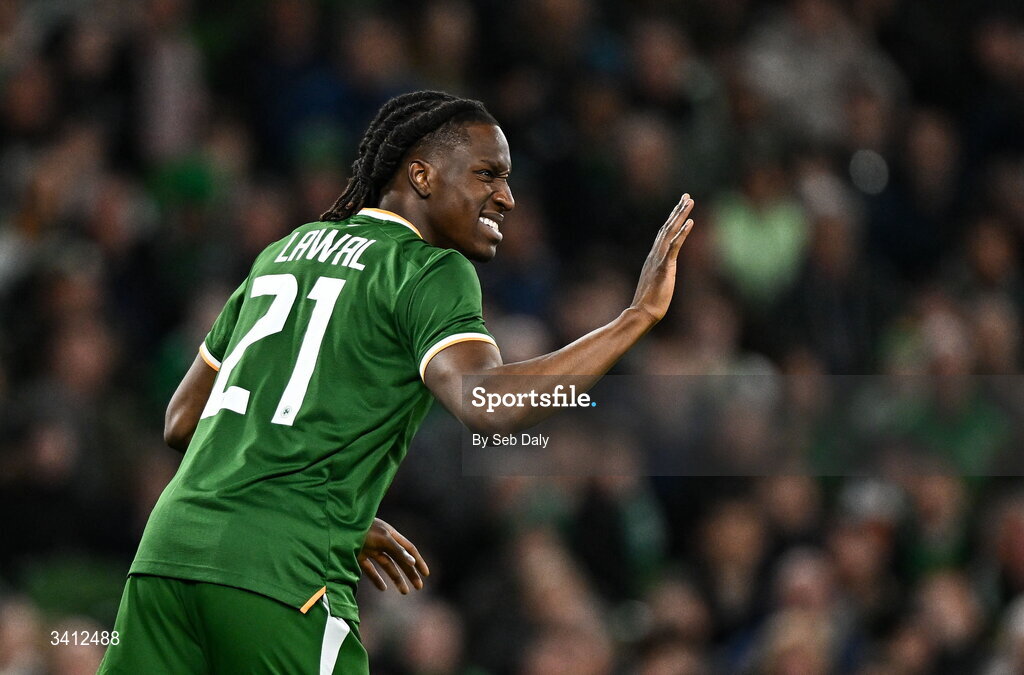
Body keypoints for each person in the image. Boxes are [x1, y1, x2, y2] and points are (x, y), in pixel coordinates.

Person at [98, 90, 695, 673]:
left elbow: (181, 421)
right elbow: (490, 407)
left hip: (167, 557)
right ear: (423, 176)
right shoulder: (428, 268)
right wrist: (633, 319)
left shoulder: (282, 252)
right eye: (488, 174)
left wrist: (320, 502)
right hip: (283, 574)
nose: (507, 197)